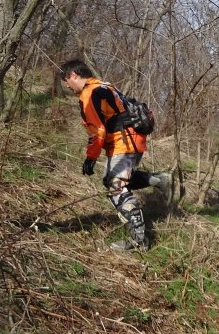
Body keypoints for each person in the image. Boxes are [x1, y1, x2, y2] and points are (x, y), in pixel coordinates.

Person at [59, 59, 172, 252]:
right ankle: (160, 179)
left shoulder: (89, 94)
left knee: (115, 186)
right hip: (133, 138)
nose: (67, 86)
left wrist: (91, 157)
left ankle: (139, 242)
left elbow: (98, 131)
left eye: (66, 81)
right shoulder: (104, 85)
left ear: (73, 75)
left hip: (124, 141)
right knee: (117, 180)